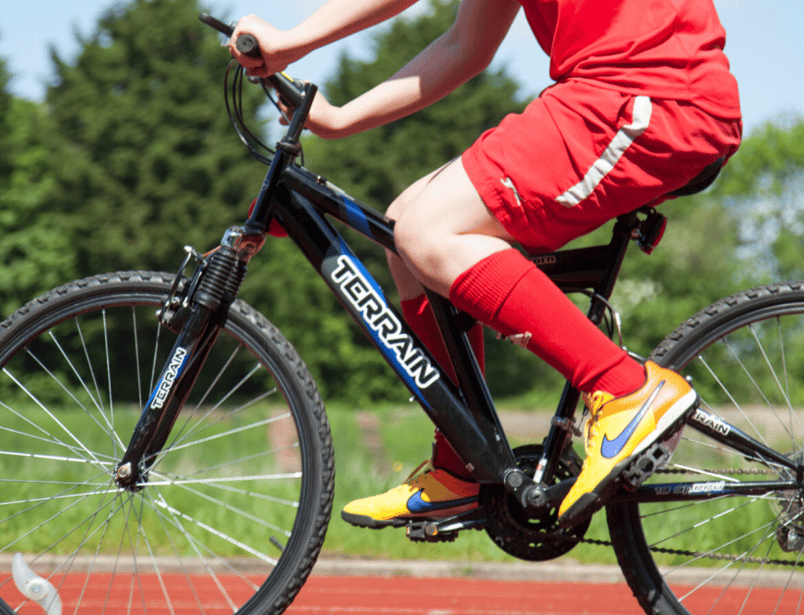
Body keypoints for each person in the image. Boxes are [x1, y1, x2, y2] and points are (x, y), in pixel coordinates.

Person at [229, 0, 741, 528]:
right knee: (404, 229)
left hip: (648, 94)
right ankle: (462, 468)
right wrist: (339, 120)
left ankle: (626, 389)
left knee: (426, 230)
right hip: (610, 93)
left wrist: (293, 40)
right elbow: (465, 45)